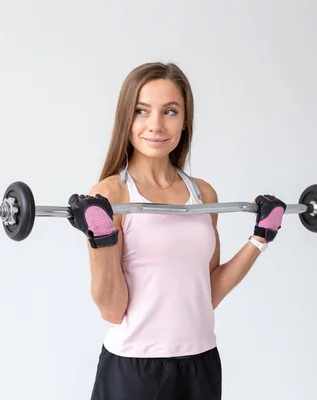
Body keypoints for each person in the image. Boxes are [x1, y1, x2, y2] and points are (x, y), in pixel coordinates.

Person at [67, 62, 286, 400]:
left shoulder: (203, 195)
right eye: (142, 111)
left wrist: (260, 237)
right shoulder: (112, 196)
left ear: (185, 122)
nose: (155, 125)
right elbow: (112, 310)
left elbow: (208, 292)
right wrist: (101, 242)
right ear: (126, 117)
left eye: (170, 111)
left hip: (200, 362)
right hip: (134, 366)